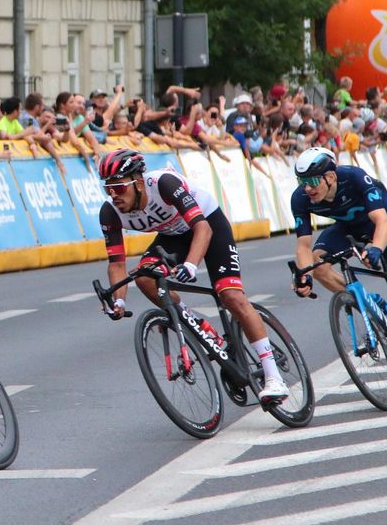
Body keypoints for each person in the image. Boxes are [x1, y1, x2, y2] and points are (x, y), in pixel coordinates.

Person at [97, 148, 290, 404]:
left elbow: (202, 228)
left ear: (139, 182)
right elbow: (117, 264)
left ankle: (273, 376)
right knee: (144, 276)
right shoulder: (110, 212)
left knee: (231, 296)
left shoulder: (164, 184)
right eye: (108, 189)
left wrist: (191, 264)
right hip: (173, 236)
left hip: (208, 224)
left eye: (119, 188)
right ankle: (195, 323)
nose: (114, 195)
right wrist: (119, 301)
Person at [289, 148, 387, 376]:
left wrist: (376, 248)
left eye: (313, 181)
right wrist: (303, 274)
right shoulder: (300, 198)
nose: (307, 187)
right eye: (302, 181)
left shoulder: (354, 177)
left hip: (381, 222)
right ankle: (371, 302)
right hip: (347, 227)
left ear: (331, 177)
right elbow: (304, 246)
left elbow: (382, 221)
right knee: (318, 266)